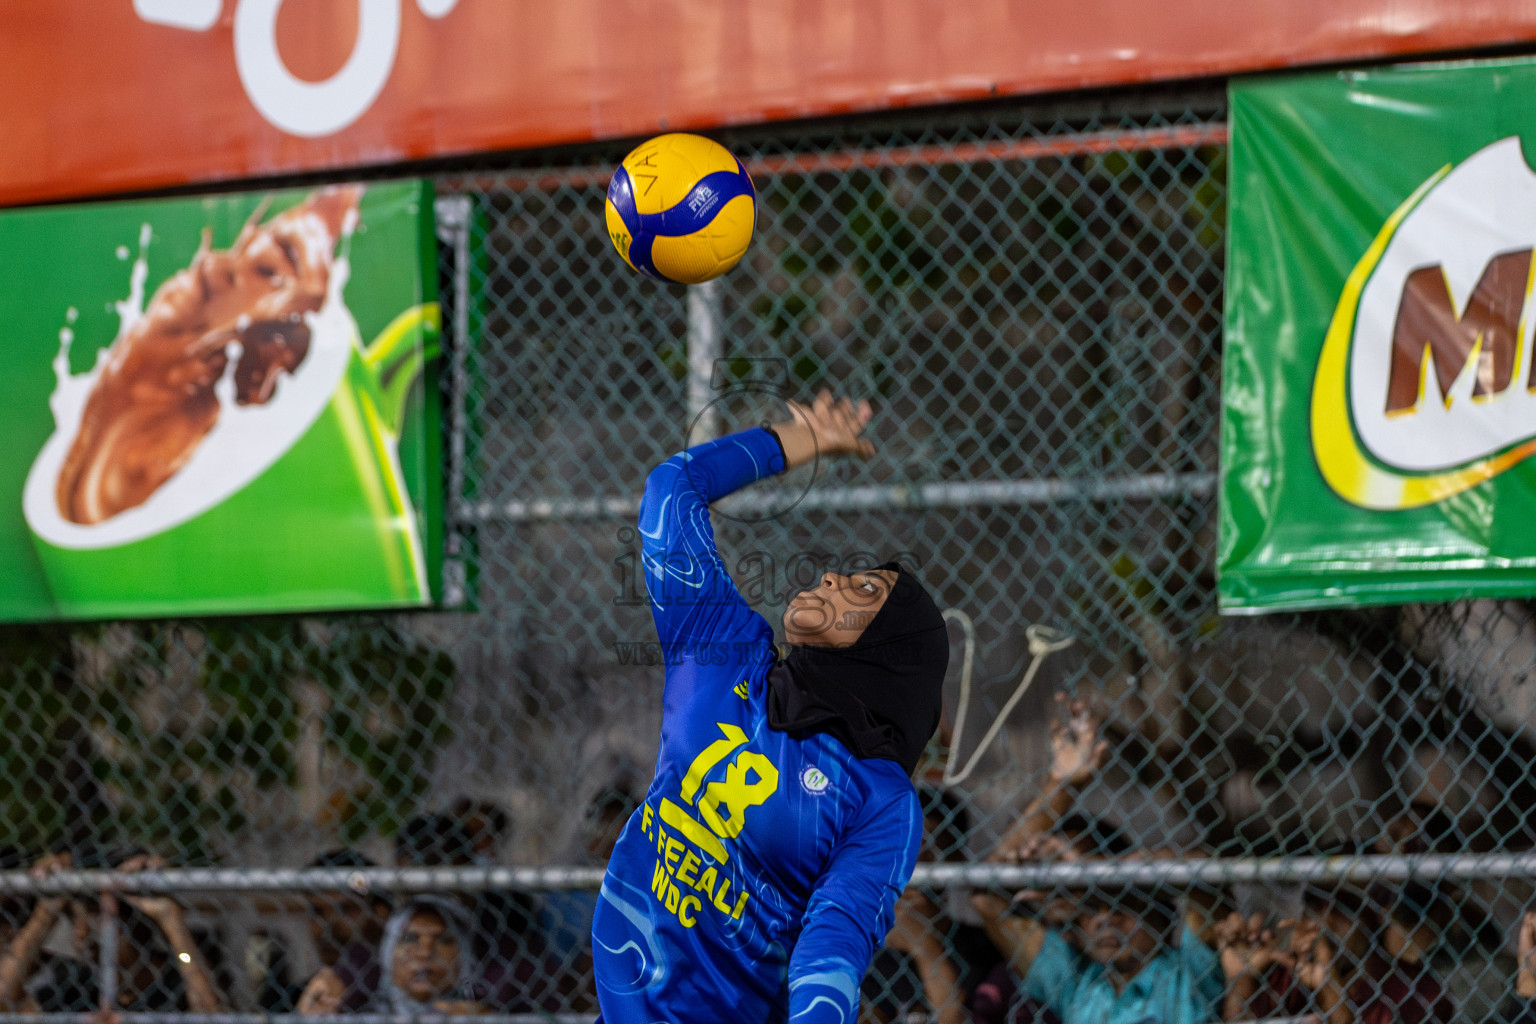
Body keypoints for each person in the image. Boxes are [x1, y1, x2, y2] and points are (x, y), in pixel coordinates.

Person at [592, 391, 951, 1024]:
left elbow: (835, 942)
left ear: (890, 652)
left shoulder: (881, 799)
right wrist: (795, 440)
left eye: (866, 590)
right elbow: (671, 490)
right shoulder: (724, 652)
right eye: (847, 573)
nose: (833, 580)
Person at [0, 849, 226, 1014]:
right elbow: (4, 999)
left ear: (138, 922)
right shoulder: (77, 985)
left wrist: (173, 924)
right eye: (73, 919)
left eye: (96, 916)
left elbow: (215, 1017)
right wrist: (44, 914)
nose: (81, 933)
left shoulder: (180, 978)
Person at [863, 787, 1004, 1024]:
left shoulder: (983, 949)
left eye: (932, 845)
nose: (918, 858)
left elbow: (956, 1018)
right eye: (906, 845)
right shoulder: (870, 950)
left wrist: (925, 946)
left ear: (956, 858)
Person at [294, 849, 393, 1015]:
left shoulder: (402, 994)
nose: (327, 926)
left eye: (345, 910)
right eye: (317, 911)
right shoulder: (301, 995)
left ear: (380, 914)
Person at [373, 896, 484, 1016]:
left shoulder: (490, 1017)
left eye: (443, 940)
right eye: (409, 938)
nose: (425, 953)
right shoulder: (361, 1016)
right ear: (387, 952)